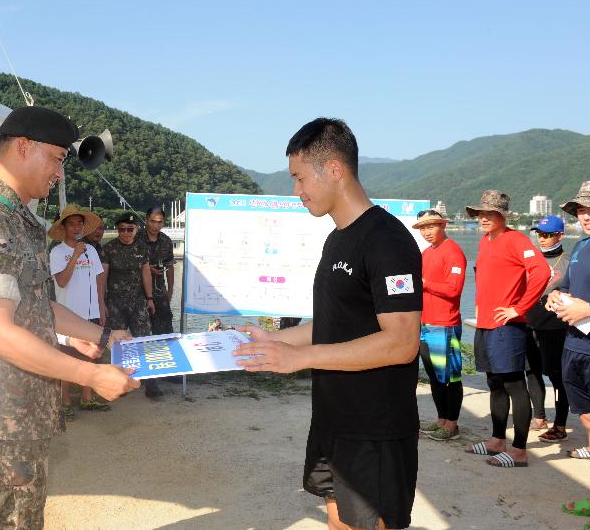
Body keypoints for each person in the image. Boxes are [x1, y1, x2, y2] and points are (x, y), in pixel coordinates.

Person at [0, 106, 140, 529]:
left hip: (20, 418)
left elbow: (39, 305)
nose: (59, 173)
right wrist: (89, 376)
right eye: (56, 159)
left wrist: (105, 335)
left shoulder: (20, 221)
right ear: (23, 147)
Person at [234, 118, 422, 530]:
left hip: (375, 425)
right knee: (338, 522)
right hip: (334, 417)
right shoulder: (337, 237)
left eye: (299, 178)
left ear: (334, 170)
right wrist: (276, 340)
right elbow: (336, 323)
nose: (296, 191)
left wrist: (298, 358)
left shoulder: (387, 241)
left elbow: (402, 342)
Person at [466, 190, 550, 468]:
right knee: (495, 383)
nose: (484, 218)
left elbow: (541, 271)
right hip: (486, 323)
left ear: (503, 216)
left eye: (490, 214)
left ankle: (520, 450)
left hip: (508, 325)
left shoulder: (517, 239)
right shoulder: (485, 241)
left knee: (515, 384)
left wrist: (519, 307)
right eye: (481, 213)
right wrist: (479, 308)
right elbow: (486, 278)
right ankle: (497, 440)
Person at [546, 181, 590, 527]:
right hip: (575, 347)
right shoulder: (581, 246)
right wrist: (555, 296)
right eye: (582, 210)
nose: (586, 215)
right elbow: (568, 285)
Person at [49, 205, 110, 417]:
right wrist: (74, 256)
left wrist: (101, 307)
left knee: (90, 356)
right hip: (68, 315)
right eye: (72, 223)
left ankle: (87, 398)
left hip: (91, 313)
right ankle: (64, 402)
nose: (77, 227)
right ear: (64, 227)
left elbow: (98, 281)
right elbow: (62, 282)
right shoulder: (57, 252)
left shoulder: (91, 250)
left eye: (80, 223)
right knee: (67, 357)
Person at [412, 209, 466, 442]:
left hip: (445, 324)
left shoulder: (453, 252)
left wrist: (425, 283)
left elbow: (454, 289)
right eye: (423, 228)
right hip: (425, 323)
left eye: (431, 226)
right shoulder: (426, 253)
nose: (427, 232)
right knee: (434, 376)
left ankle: (452, 423)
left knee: (450, 377)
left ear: (443, 225)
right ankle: (441, 419)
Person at [102, 211, 160, 398]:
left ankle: (151, 384)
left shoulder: (143, 248)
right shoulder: (109, 248)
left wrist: (150, 298)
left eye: (130, 229)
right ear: (117, 230)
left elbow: (146, 273)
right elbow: (102, 277)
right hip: (116, 303)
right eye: (122, 229)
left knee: (144, 341)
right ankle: (120, 382)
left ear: (136, 229)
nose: (126, 233)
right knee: (118, 345)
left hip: (138, 303)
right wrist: (102, 302)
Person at [525, 215, 571, 442]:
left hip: (556, 327)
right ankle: (539, 416)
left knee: (557, 376)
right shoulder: (530, 258)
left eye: (548, 235)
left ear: (560, 235)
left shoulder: (568, 261)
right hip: (529, 322)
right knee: (531, 371)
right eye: (539, 234)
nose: (542, 239)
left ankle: (560, 424)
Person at [142, 207, 175, 336]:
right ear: (146, 220)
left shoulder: (166, 241)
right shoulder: (135, 238)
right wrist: (147, 268)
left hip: (160, 293)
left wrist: (170, 291)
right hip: (138, 294)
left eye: (159, 222)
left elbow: (170, 266)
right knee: (141, 334)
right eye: (152, 221)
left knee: (165, 332)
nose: (156, 225)